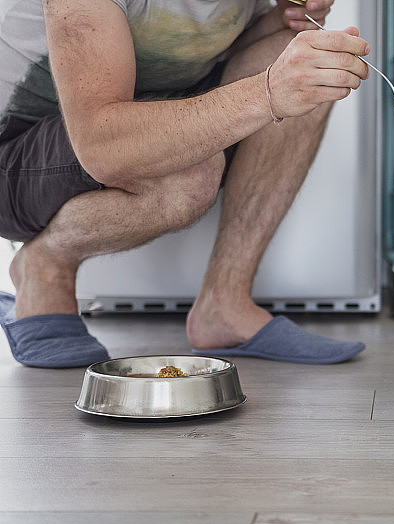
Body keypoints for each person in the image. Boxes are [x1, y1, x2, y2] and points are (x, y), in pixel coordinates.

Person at [0, 0, 370, 368]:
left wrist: (278, 21)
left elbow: (213, 55)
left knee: (311, 65)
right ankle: (46, 265)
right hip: (16, 153)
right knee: (189, 174)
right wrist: (269, 91)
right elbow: (102, 144)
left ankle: (224, 303)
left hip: (131, 114)